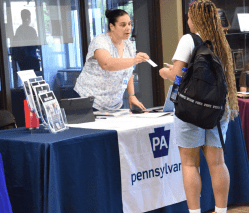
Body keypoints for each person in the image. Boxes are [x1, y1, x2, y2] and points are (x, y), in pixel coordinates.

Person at [159, 1, 239, 213]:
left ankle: (195, 212)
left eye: (188, 18)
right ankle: (221, 211)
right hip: (218, 110)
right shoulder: (221, 41)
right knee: (217, 163)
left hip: (191, 110)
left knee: (189, 164)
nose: (187, 22)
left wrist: (165, 73)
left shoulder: (189, 39)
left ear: (194, 19)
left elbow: (176, 77)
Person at [74, 9, 149, 111]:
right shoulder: (100, 41)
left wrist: (131, 94)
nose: (128, 28)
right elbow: (107, 63)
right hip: (90, 101)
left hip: (115, 104)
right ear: (112, 26)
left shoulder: (129, 45)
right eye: (123, 25)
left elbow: (128, 70)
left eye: (129, 24)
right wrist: (134, 60)